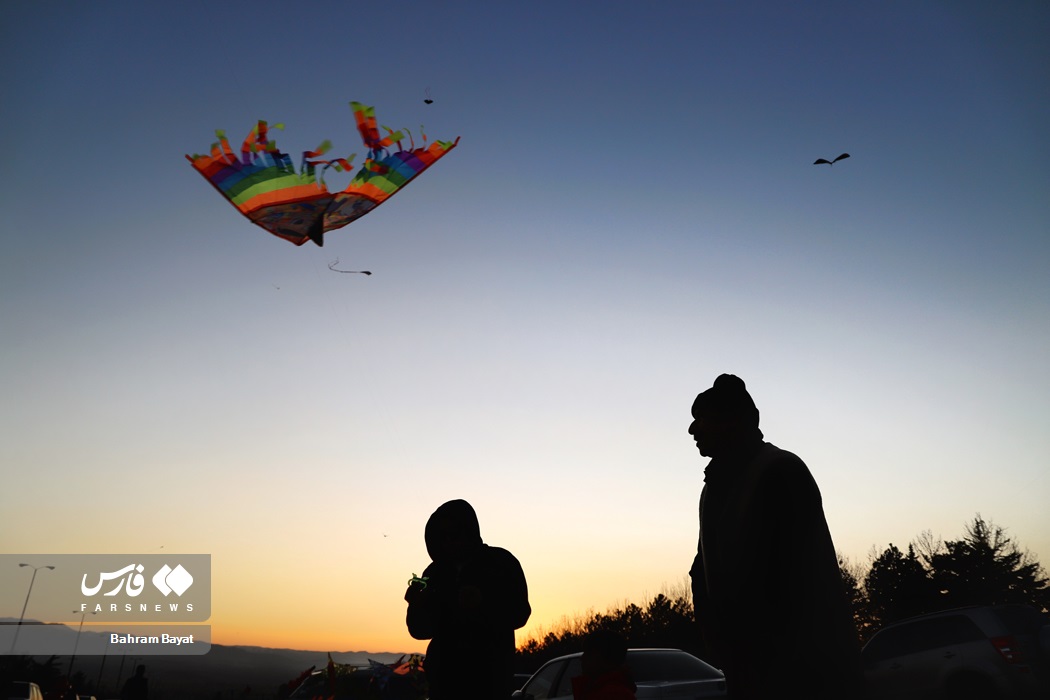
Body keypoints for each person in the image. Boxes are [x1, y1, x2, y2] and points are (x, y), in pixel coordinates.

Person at [687, 374, 863, 699]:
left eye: (702, 419)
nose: (692, 430)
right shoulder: (714, 488)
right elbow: (705, 571)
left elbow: (796, 584)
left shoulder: (779, 471)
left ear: (736, 421)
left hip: (798, 674)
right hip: (748, 669)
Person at [405, 499, 531, 700]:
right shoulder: (434, 573)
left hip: (490, 685)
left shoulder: (502, 563)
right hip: (444, 686)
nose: (448, 542)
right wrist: (416, 606)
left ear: (469, 531)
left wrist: (483, 603)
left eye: (454, 534)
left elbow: (520, 614)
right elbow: (419, 630)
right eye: (442, 537)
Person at [571, 630, 636, 700]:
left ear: (601, 656)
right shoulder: (594, 689)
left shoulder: (612, 694)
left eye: (588, 653)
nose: (582, 658)